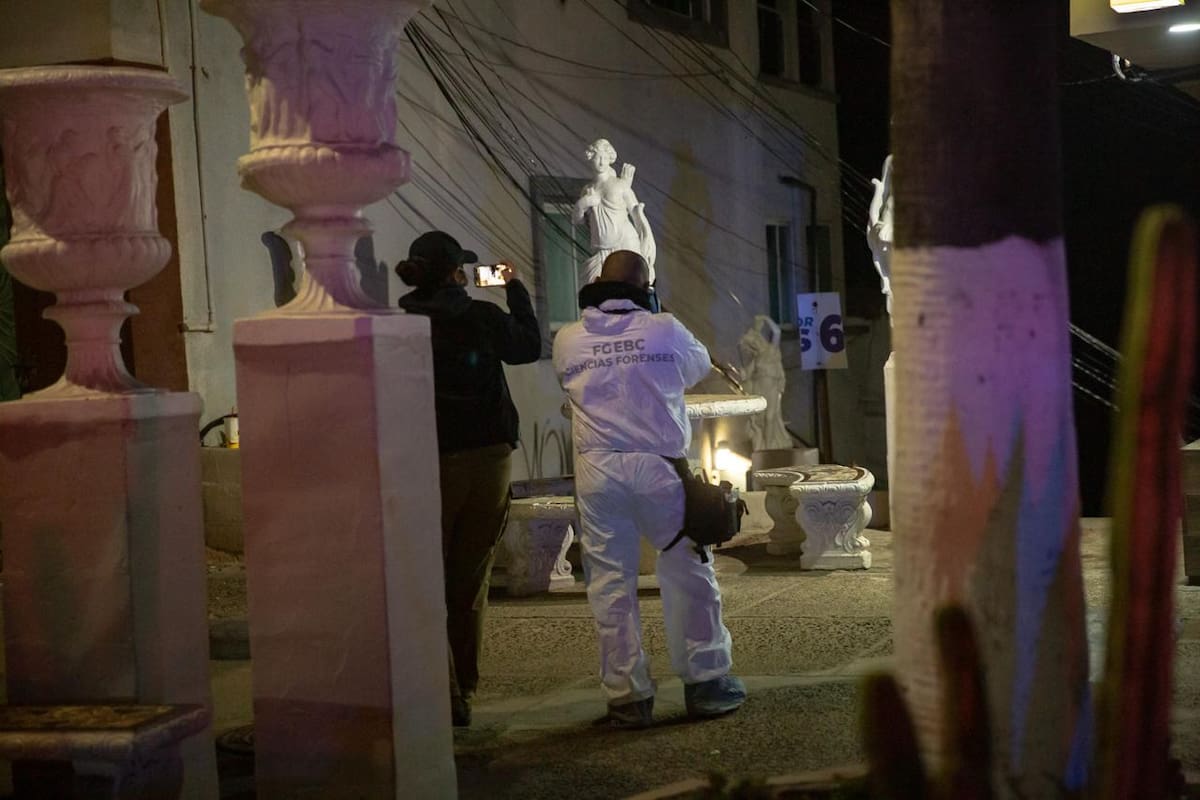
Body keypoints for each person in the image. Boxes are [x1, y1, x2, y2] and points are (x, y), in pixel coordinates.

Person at [552, 249, 745, 728]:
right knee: (687, 569)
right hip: (659, 468)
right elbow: (697, 367)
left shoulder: (568, 339)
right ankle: (706, 682)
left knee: (610, 583)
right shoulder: (665, 329)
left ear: (599, 281)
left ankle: (627, 697)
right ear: (647, 287)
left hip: (597, 472)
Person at [397, 230, 541, 727]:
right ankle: (464, 691)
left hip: (427, 463)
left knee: (427, 577)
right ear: (458, 273)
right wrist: (513, 287)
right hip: (489, 460)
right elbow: (526, 346)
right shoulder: (481, 317)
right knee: (469, 579)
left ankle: (441, 686)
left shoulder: (403, 326)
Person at [573, 138, 657, 287]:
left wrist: (645, 232)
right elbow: (577, 220)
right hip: (602, 248)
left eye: (604, 157)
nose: (601, 161)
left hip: (625, 241)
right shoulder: (587, 190)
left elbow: (635, 211)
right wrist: (583, 203)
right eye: (597, 157)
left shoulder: (619, 184)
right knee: (592, 288)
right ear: (590, 158)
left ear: (610, 159)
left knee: (632, 284)